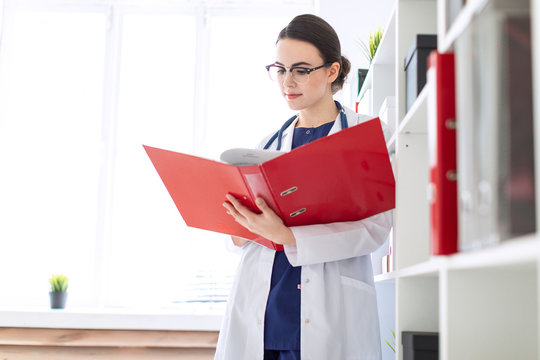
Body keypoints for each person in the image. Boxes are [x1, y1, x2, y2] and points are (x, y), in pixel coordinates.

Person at [215, 14, 392, 360]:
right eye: (280, 69)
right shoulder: (265, 144)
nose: (287, 82)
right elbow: (240, 240)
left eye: (300, 69)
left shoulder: (366, 135)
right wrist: (238, 228)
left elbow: (376, 230)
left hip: (329, 315)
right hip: (262, 315)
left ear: (331, 71)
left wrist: (289, 237)